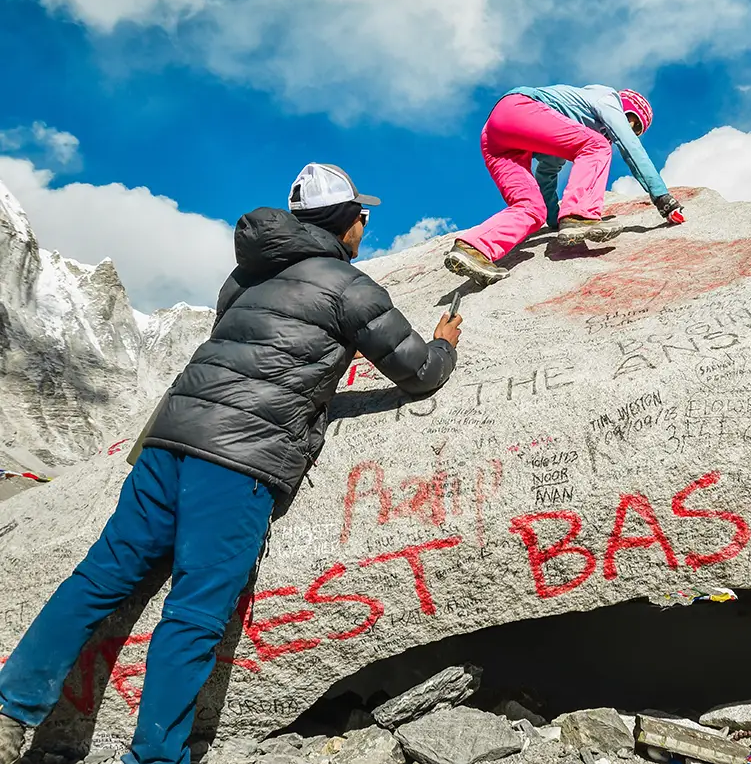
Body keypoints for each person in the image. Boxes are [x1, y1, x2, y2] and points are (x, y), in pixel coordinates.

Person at [0, 163, 462, 764]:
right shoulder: (350, 288)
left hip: (169, 444)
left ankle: (10, 712)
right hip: (239, 460)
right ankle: (156, 757)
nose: (367, 223)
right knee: (196, 611)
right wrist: (445, 341)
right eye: (361, 215)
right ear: (347, 224)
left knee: (97, 581)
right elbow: (416, 372)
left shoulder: (241, 280)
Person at [444, 85, 685, 286]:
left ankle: (474, 248)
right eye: (630, 123)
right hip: (519, 108)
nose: (626, 130)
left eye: (636, 130)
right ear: (626, 110)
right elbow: (629, 146)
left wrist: (555, 220)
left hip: (497, 136)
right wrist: (661, 197)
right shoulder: (608, 100)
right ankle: (580, 215)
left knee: (530, 208)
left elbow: (546, 175)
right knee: (598, 145)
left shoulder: (564, 128)